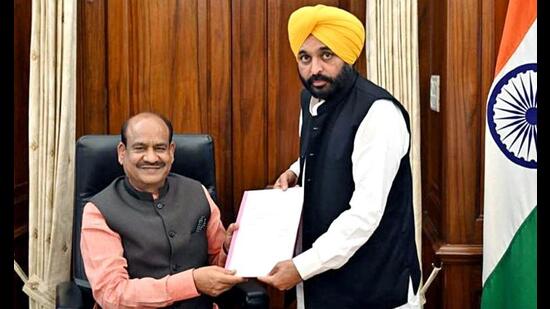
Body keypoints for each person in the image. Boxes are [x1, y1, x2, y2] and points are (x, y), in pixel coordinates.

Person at [257, 5, 421, 309]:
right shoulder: (311, 97)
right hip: (321, 282)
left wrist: (302, 267)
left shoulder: (378, 114)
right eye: (305, 57)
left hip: (375, 288)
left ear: (349, 55)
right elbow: (325, 149)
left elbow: (365, 214)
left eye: (326, 55)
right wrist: (295, 171)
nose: (315, 68)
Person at [80, 112, 245, 308]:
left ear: (172, 152)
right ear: (122, 152)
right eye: (140, 148)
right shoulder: (99, 211)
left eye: (160, 148)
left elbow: (217, 265)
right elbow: (113, 294)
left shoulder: (198, 192)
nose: (151, 157)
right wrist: (191, 283)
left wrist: (228, 249)